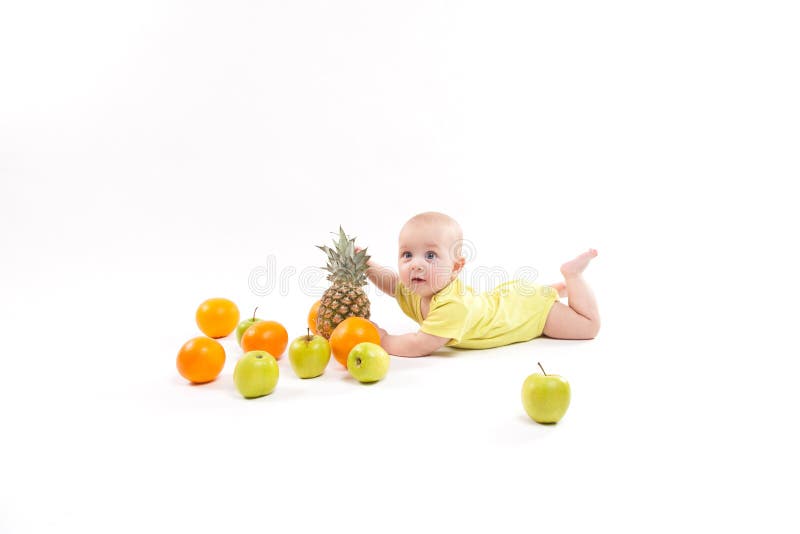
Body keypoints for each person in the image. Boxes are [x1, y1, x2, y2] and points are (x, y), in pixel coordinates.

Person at [362, 212, 600, 357]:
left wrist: (383, 339)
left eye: (430, 256)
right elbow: (392, 283)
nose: (416, 265)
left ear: (456, 267)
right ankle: (557, 289)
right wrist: (365, 262)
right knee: (536, 295)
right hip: (510, 298)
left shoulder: (452, 305)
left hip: (531, 313)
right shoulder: (420, 287)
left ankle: (573, 276)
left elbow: (420, 344)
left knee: (588, 327)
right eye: (407, 255)